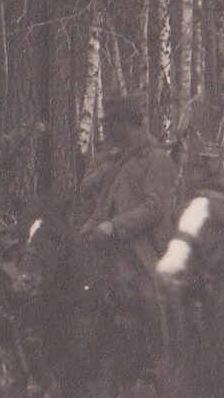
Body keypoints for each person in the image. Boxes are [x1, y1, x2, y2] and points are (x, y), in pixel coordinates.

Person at [77, 94, 181, 355]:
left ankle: (158, 360)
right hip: (114, 247)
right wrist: (86, 230)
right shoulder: (119, 161)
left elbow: (154, 209)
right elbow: (104, 205)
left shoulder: (157, 160)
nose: (108, 130)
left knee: (149, 300)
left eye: (112, 124)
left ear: (127, 124)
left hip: (146, 248)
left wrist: (114, 226)